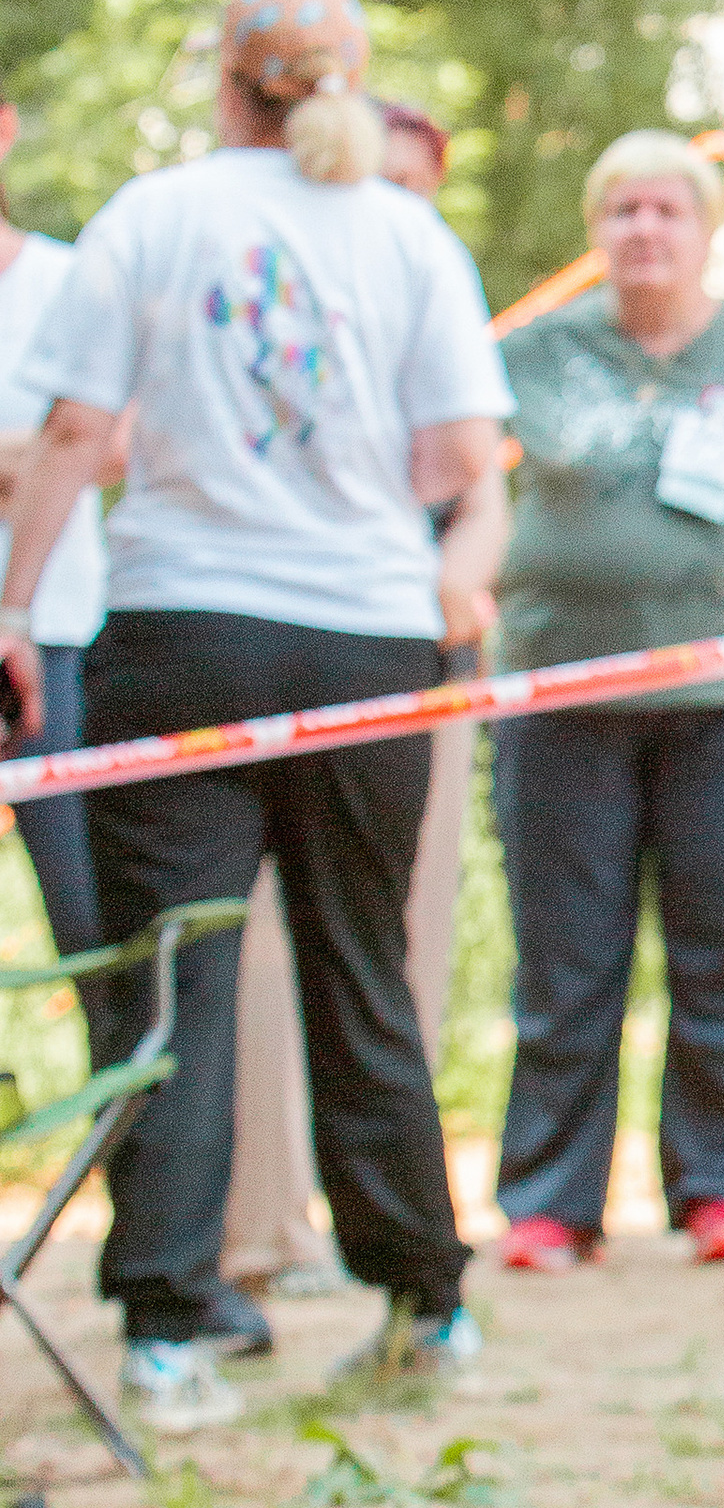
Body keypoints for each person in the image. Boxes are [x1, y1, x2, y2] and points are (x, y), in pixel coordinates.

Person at [0, 0, 506, 1429]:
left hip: (181, 634)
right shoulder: (408, 235)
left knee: (176, 972)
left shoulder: (151, 217)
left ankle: (170, 1324)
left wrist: (19, 612)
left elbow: (74, 433)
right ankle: (428, 1305)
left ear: (224, 76)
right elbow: (460, 454)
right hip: (362, 641)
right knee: (362, 970)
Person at [489, 132, 724, 1276]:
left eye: (666, 210)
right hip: (560, 692)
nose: (643, 229)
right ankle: (548, 1202)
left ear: (705, 228)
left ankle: (719, 1190)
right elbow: (446, 471)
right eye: (622, 209)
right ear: (597, 229)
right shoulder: (531, 352)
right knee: (565, 961)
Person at [221, 98, 505, 1292]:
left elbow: (479, 485)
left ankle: (381, 1236)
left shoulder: (427, 295)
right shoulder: (268, 300)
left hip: (407, 662)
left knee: (385, 956)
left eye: (410, 181)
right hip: (271, 644)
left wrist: (459, 569)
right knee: (249, 962)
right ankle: (258, 1227)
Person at [0, 99, 115, 998]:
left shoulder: (69, 280)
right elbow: (67, 444)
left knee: (91, 925)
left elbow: (118, 442)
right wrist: (35, 451)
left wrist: (49, 456)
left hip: (61, 634)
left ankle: (131, 1138)